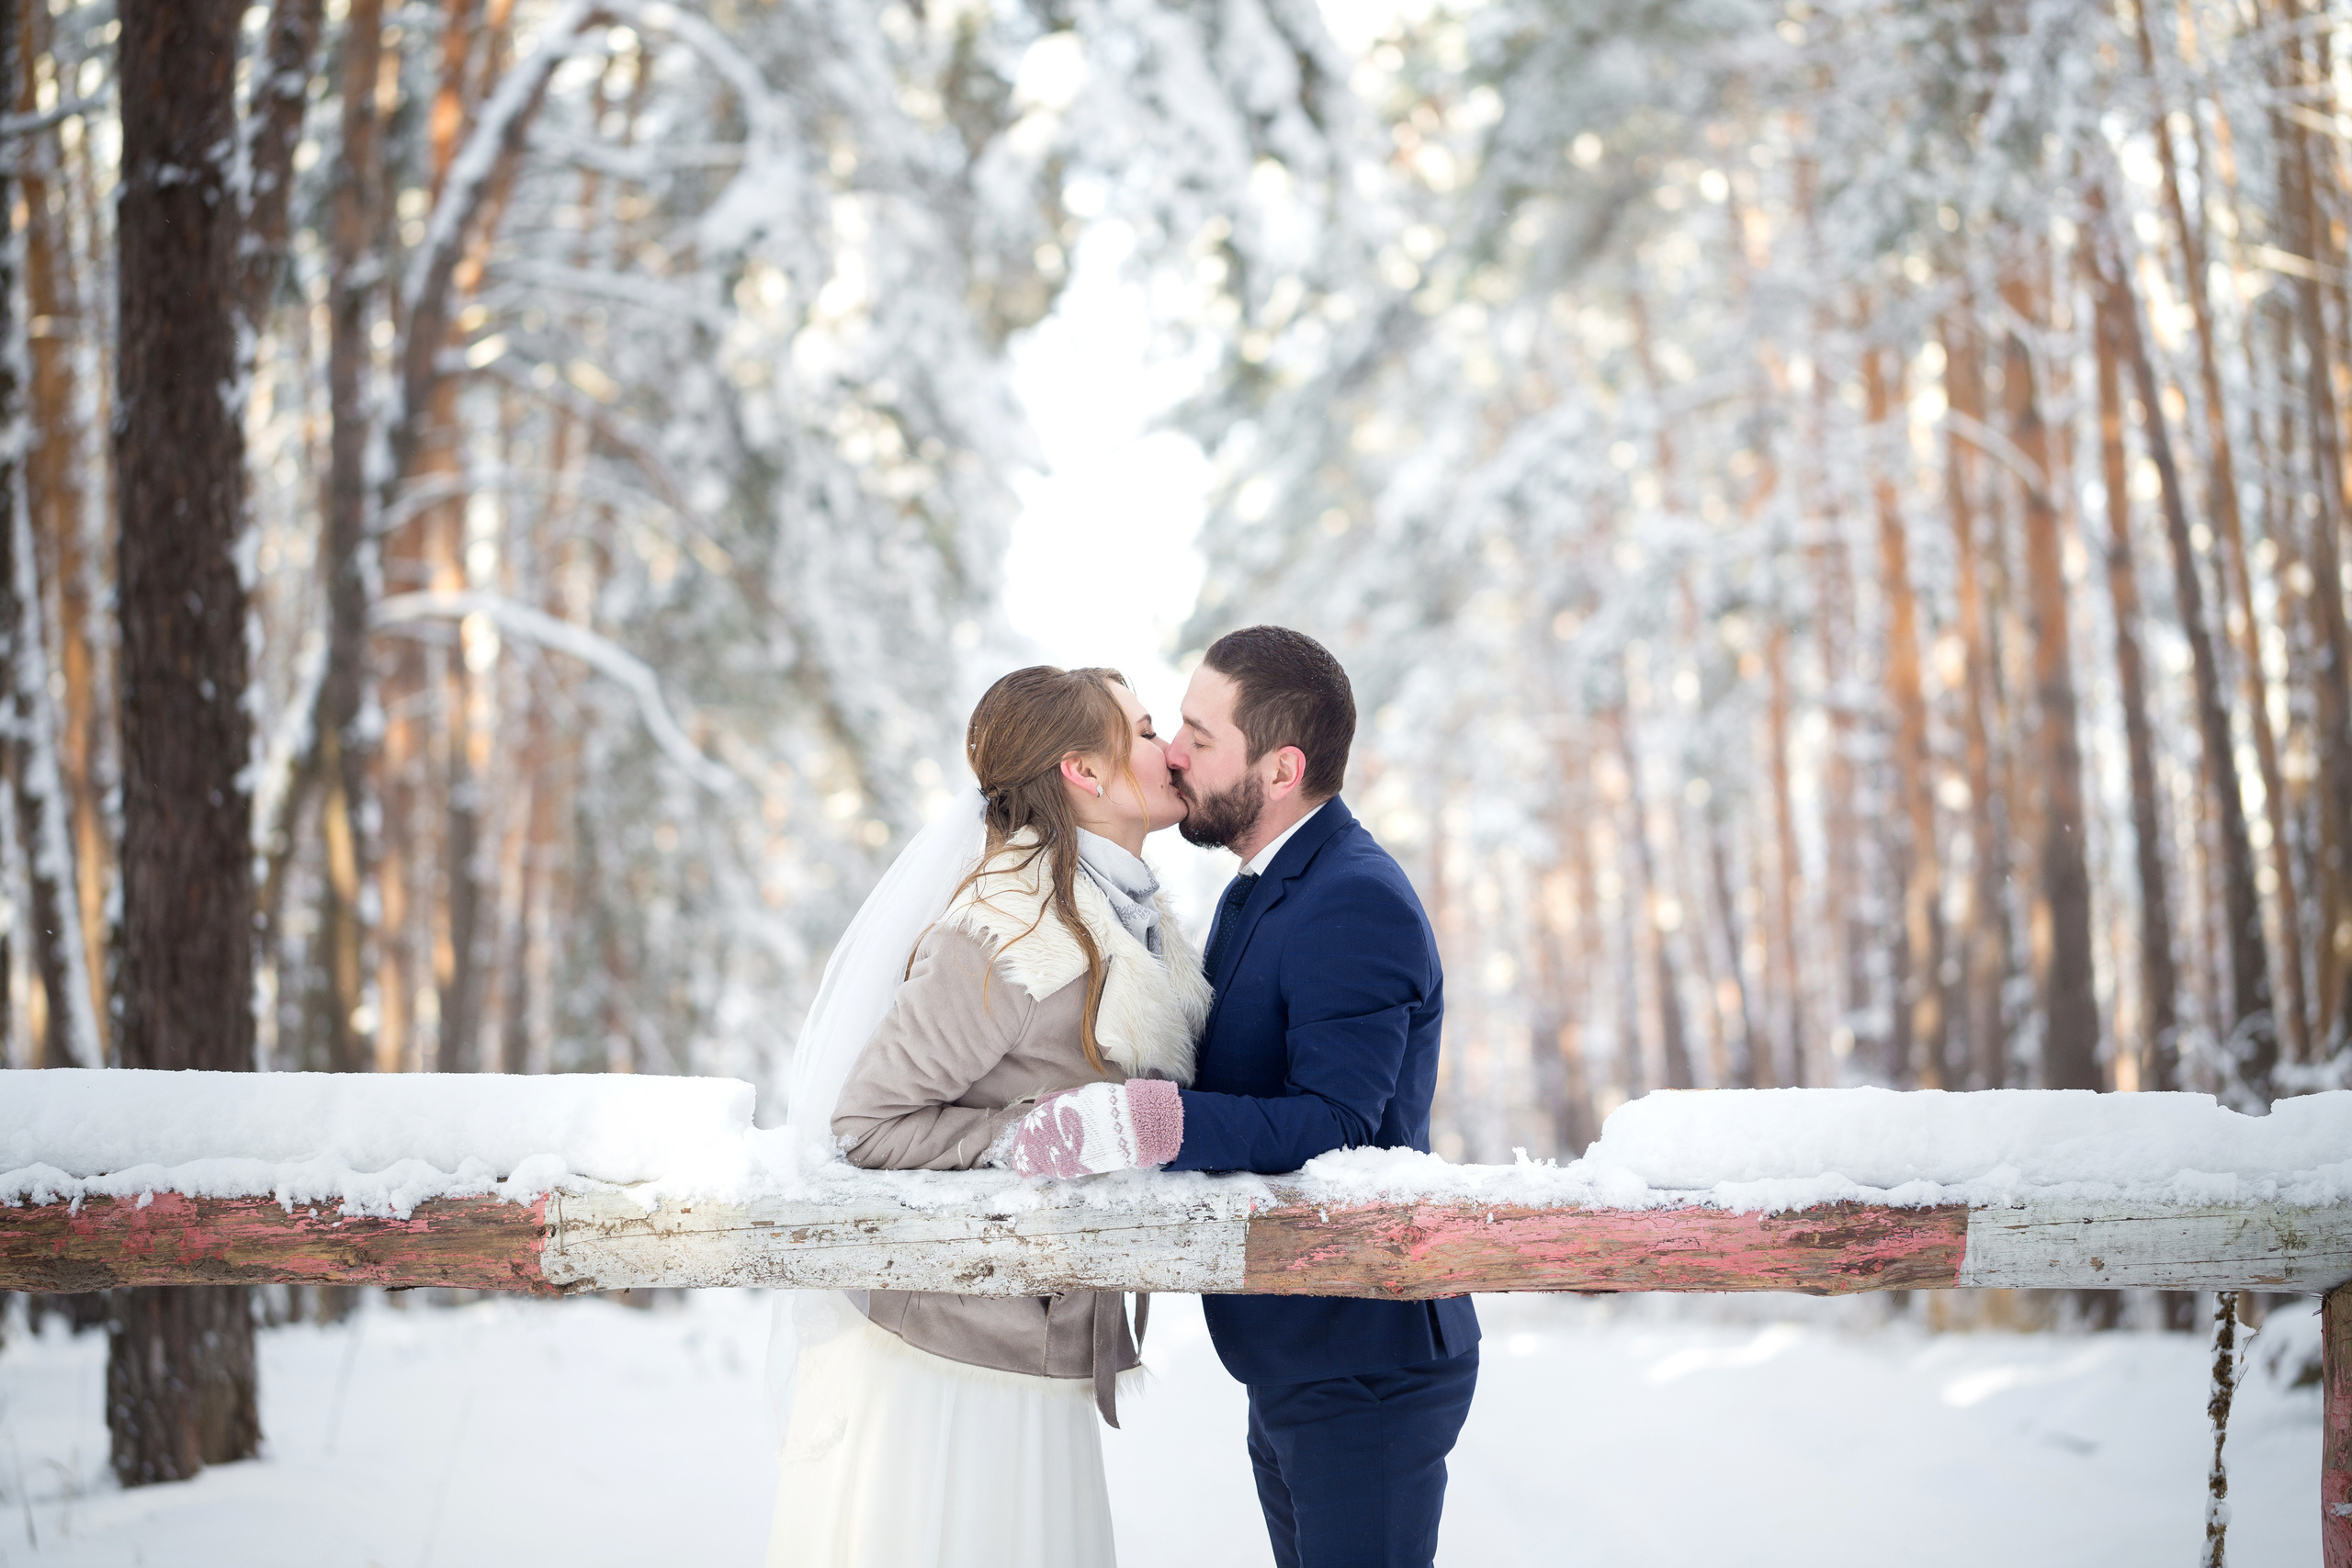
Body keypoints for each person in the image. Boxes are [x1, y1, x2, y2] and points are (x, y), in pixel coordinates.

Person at [998, 626, 1476, 1568]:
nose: (1174, 752)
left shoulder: (1354, 899)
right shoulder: (1256, 892)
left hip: (1365, 1358)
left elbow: (1335, 1121)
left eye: (1199, 735)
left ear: (1282, 767)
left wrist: (1146, 1124)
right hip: (1298, 1350)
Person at [765, 664, 1209, 1568]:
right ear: (1084, 772)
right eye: (1148, 727)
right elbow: (868, 1121)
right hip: (944, 1361)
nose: (1172, 750)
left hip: (1041, 1330)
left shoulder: (1127, 916)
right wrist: (1031, 1135)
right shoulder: (1008, 930)